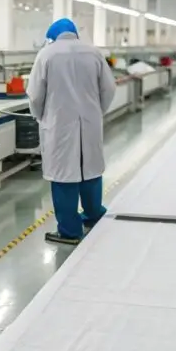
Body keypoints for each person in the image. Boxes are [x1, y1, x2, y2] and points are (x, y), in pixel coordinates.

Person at [28, 18, 117, 245]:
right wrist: (96, 111)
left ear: (52, 36)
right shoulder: (93, 53)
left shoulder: (47, 54)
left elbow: (35, 95)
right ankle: (93, 215)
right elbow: (109, 88)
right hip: (90, 122)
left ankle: (69, 231)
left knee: (63, 175)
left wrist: (41, 117)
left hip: (59, 124)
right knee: (90, 169)